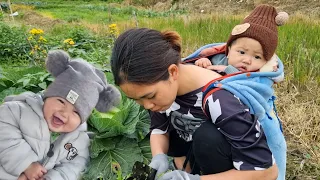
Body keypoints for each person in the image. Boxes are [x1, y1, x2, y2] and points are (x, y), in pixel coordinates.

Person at [110, 27, 278, 180]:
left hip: (236, 164)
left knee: (209, 137)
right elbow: (159, 129)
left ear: (173, 72)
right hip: (195, 146)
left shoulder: (221, 100)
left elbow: (267, 172)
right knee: (175, 124)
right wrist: (159, 155)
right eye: (137, 99)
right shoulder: (161, 90)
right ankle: (187, 167)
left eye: (150, 96)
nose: (146, 105)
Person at [187, 4, 288, 180]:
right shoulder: (216, 60)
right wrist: (204, 63)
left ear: (266, 61)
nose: (247, 60)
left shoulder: (258, 79)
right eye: (241, 52)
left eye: (257, 57)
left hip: (247, 132)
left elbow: (247, 91)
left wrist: (221, 70)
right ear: (228, 49)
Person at [0, 50, 121, 180]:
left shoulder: (79, 140)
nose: (64, 113)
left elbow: (75, 167)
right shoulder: (17, 112)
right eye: (61, 101)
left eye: (76, 112)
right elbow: (4, 134)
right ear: (47, 96)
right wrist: (26, 164)